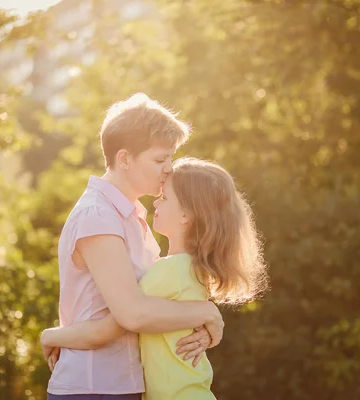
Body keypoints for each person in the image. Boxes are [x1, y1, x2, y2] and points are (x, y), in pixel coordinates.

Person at [44, 94, 225, 400]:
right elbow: (133, 314)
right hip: (93, 388)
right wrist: (205, 312)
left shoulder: (134, 216)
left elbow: (155, 303)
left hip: (126, 386)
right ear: (125, 159)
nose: (168, 169)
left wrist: (206, 319)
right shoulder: (97, 216)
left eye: (170, 158)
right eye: (159, 160)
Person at [42, 157, 268, 400]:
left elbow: (124, 318)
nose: (157, 201)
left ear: (185, 215)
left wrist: (51, 336)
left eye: (166, 197)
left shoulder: (167, 272)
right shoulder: (191, 269)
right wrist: (207, 314)